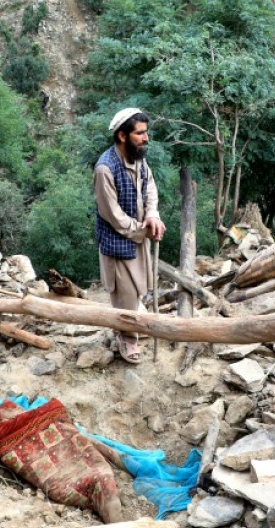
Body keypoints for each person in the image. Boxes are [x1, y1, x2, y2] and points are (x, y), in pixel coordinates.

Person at [94, 108, 166, 363]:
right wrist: (142, 230)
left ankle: (134, 315)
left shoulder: (139, 159)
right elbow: (112, 215)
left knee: (140, 286)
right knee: (124, 292)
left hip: (137, 235)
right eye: (140, 133)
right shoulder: (105, 169)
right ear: (123, 136)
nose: (146, 138)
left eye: (146, 132)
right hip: (118, 239)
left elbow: (150, 188)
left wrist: (153, 214)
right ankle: (126, 337)